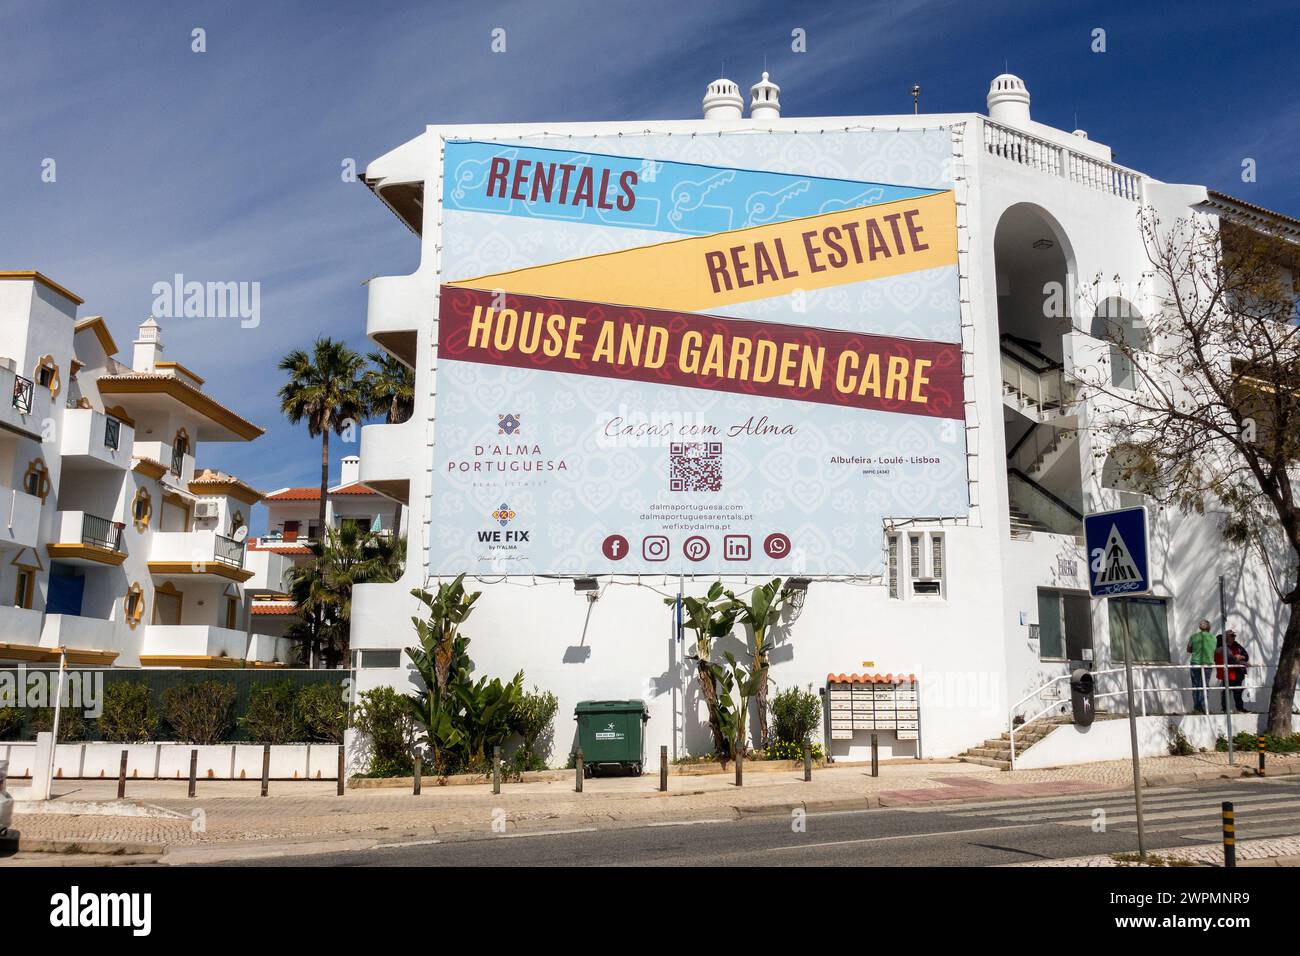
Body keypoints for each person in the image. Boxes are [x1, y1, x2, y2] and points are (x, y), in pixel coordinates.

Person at [1186, 619, 1216, 715]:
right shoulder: (1213, 638)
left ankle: (1197, 708)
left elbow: (1189, 649)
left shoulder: (1193, 637)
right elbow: (1213, 650)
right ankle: (1204, 707)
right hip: (1207, 664)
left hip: (1195, 663)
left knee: (1196, 686)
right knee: (1205, 685)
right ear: (1209, 628)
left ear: (1200, 627)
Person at [1215, 630, 1249, 713]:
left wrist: (1241, 657)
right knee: (1226, 691)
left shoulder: (1237, 645)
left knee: (1238, 691)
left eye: (1234, 635)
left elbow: (1246, 655)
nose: (1234, 637)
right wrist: (1241, 660)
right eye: (1232, 635)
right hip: (1228, 672)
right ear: (1226, 637)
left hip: (1238, 672)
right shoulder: (1223, 648)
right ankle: (1225, 709)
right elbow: (1230, 659)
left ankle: (1240, 708)